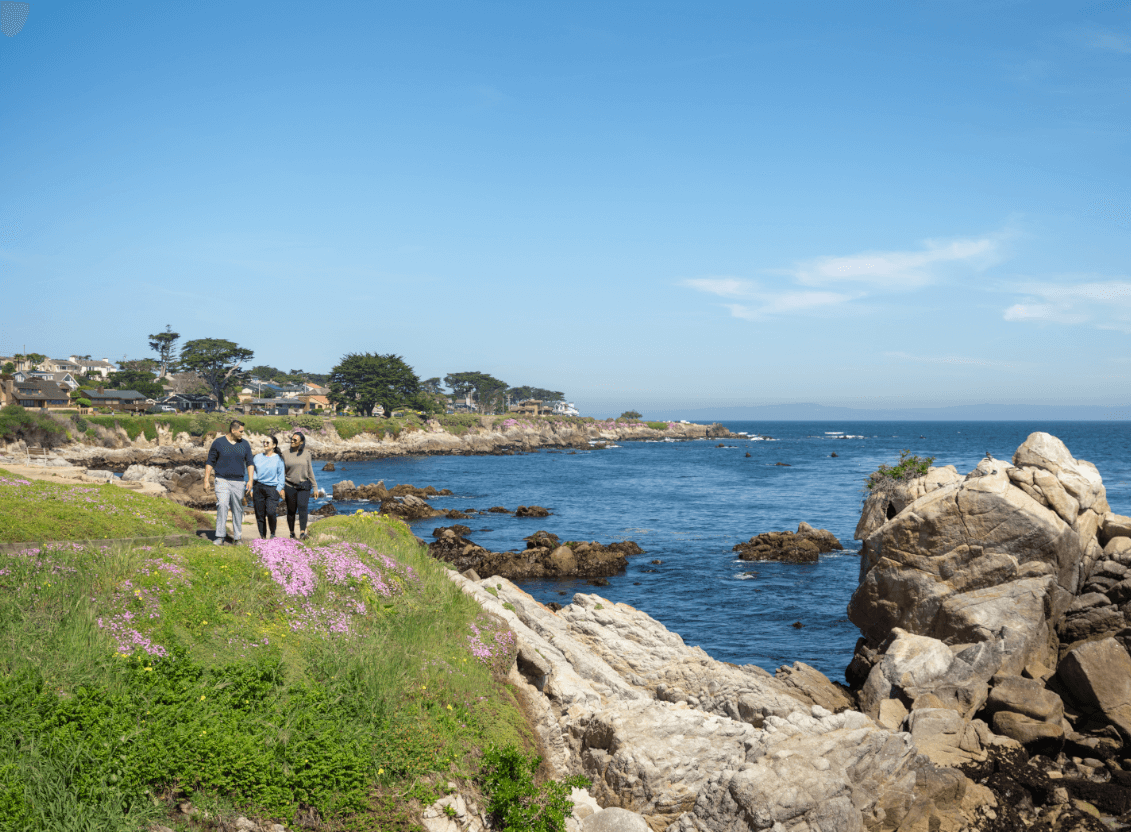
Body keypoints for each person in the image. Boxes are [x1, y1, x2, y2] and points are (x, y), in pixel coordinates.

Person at [203, 419, 254, 546]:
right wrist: (206, 479)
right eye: (241, 431)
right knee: (222, 505)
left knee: (238, 509)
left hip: (238, 481)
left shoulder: (245, 444)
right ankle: (220, 536)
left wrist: (251, 480)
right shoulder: (218, 443)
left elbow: (250, 463)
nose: (243, 433)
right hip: (221, 480)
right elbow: (210, 462)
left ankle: (237, 537)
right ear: (233, 430)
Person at [279, 431, 319, 540]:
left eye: (295, 440)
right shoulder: (285, 454)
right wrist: (281, 488)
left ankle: (302, 533)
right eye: (291, 439)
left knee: (303, 507)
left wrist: (315, 488)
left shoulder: (307, 454)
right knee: (291, 510)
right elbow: (281, 473)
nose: (292, 441)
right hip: (289, 486)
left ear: (301, 442)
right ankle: (292, 533)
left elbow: (310, 471)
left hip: (304, 486)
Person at [251, 436, 286, 539]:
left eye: (267, 442)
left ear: (274, 445)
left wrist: (279, 489)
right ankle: (262, 537)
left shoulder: (278, 459)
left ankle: (272, 533)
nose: (265, 444)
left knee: (271, 512)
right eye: (264, 442)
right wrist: (252, 488)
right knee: (259, 514)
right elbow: (253, 473)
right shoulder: (257, 457)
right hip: (258, 487)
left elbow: (281, 476)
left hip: (272, 489)